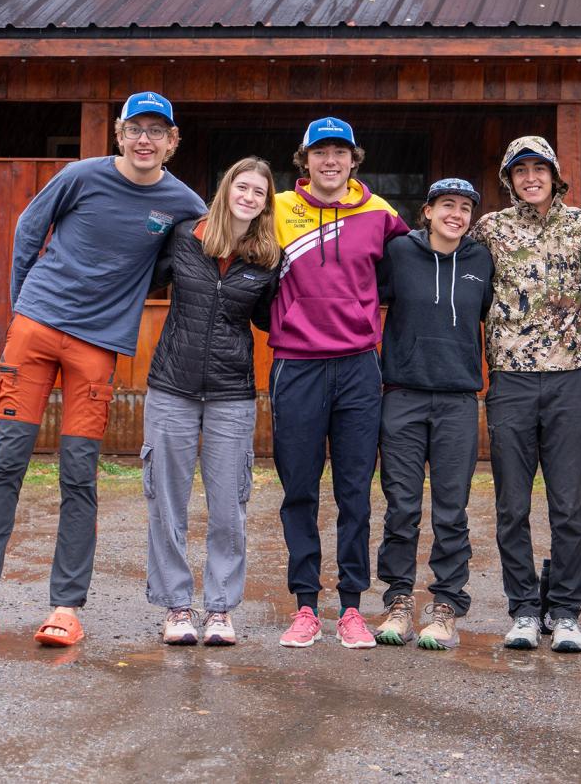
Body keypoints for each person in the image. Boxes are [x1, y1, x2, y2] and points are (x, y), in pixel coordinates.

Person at [0, 91, 206, 647]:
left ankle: (64, 610)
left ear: (172, 142)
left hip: (96, 349)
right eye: (136, 128)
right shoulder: (80, 176)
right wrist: (21, 307)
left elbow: (196, 251)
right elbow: (27, 231)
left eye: (158, 131)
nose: (145, 140)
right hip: (34, 331)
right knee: (6, 462)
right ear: (118, 132)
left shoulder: (183, 203)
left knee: (78, 474)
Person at [269, 117, 408, 651]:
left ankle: (351, 606)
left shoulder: (381, 214)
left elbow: (406, 273)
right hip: (296, 363)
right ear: (304, 159)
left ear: (355, 159)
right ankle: (305, 604)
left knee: (355, 492)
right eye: (320, 152)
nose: (331, 161)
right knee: (299, 490)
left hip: (357, 365)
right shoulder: (277, 208)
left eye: (341, 152)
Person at [142, 156, 281, 646]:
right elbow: (140, 274)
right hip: (171, 387)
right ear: (225, 190)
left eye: (259, 193)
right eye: (242, 187)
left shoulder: (267, 258)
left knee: (229, 507)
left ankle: (219, 609)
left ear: (265, 205)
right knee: (166, 502)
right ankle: (177, 608)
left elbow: (272, 319)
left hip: (231, 394)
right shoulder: (185, 237)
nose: (249, 196)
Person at [470, 136, 581, 653]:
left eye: (539, 168)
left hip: (569, 378)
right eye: (519, 170)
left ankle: (564, 610)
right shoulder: (491, 228)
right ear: (508, 179)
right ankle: (523, 607)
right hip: (512, 380)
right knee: (512, 506)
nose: (530, 178)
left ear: (555, 174)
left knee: (567, 505)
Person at [371, 178, 494, 651]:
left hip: (458, 399)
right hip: (402, 394)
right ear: (427, 211)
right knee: (401, 505)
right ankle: (399, 600)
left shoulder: (481, 259)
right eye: (447, 205)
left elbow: (486, 312)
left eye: (465, 207)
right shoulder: (400, 253)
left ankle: (446, 604)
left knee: (451, 509)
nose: (456, 214)